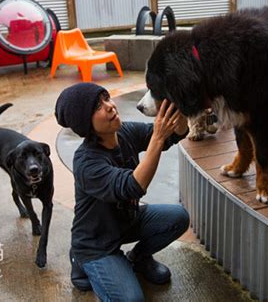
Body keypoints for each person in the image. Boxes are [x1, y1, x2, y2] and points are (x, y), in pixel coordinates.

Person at [55, 82, 190, 301]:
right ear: (85, 123)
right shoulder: (86, 162)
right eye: (97, 107)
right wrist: (157, 137)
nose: (109, 106)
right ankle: (82, 262)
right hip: (96, 243)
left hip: (127, 221)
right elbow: (132, 187)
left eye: (106, 98)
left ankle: (138, 258)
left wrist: (182, 108)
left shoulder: (124, 131)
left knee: (178, 217)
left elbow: (174, 135)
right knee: (131, 299)